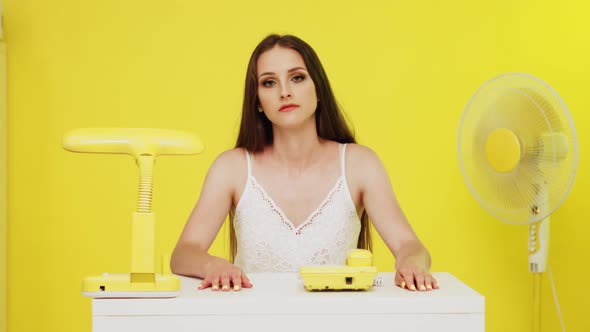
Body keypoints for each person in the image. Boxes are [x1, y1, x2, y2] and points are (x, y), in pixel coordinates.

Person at [171, 34, 438, 292]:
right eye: (269, 83)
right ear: (258, 103)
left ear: (318, 89)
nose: (285, 92)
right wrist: (214, 265)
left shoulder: (360, 164)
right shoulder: (232, 168)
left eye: (297, 78)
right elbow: (183, 253)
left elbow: (409, 245)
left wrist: (410, 263)